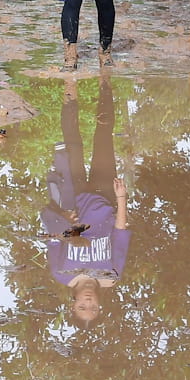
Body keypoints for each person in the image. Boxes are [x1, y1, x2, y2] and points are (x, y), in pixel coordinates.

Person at [43, 73, 128, 327]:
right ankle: (105, 82)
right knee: (104, 137)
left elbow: (52, 236)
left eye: (82, 307)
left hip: (73, 197)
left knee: (73, 141)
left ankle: (70, 83)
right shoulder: (112, 276)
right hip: (105, 198)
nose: (88, 302)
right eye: (93, 308)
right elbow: (120, 233)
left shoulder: (60, 273)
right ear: (100, 305)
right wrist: (121, 198)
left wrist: (63, 219)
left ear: (73, 304)